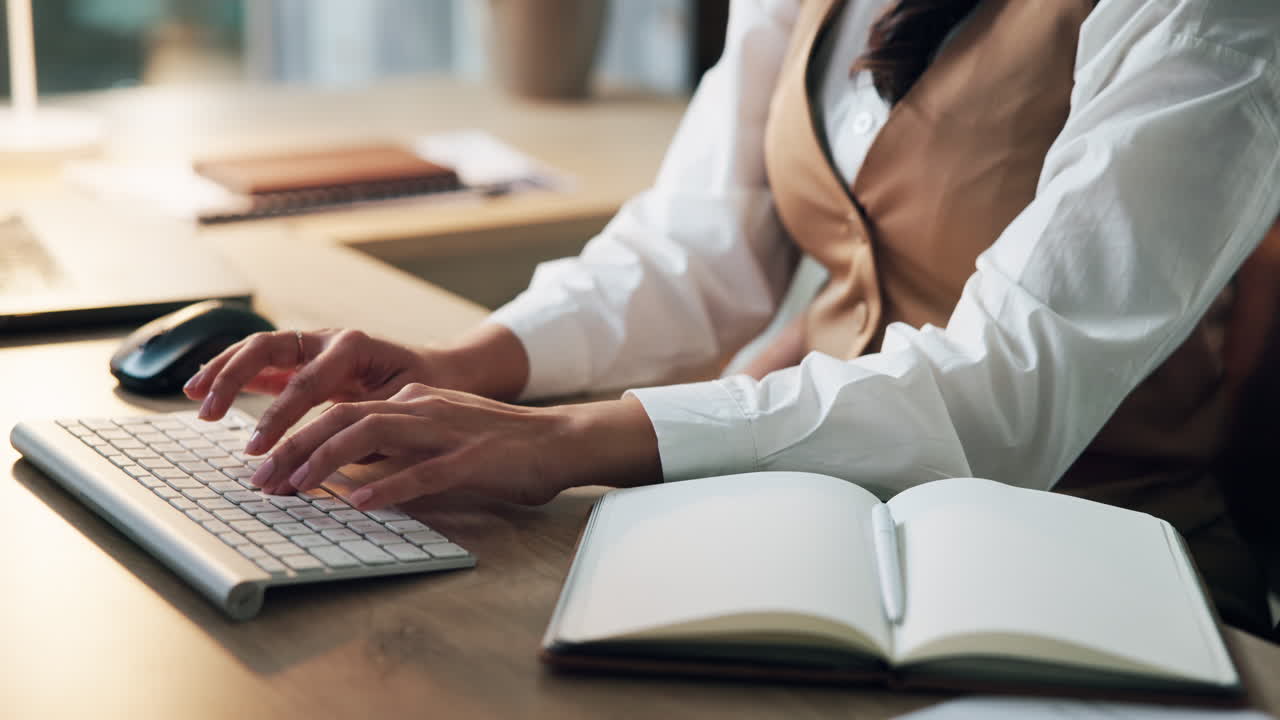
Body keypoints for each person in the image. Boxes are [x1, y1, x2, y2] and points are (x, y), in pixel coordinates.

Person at [184, 0, 1280, 633]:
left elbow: (1003, 396)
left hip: (1099, 572)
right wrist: (468, 361)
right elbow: (699, 248)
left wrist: (571, 436)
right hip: (819, 523)